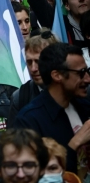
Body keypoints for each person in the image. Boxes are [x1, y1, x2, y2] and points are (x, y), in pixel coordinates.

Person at [14, 43, 90, 174]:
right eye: (81, 73)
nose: (88, 79)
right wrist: (74, 145)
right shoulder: (28, 121)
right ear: (57, 75)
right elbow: (31, 176)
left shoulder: (85, 107)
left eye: (87, 71)